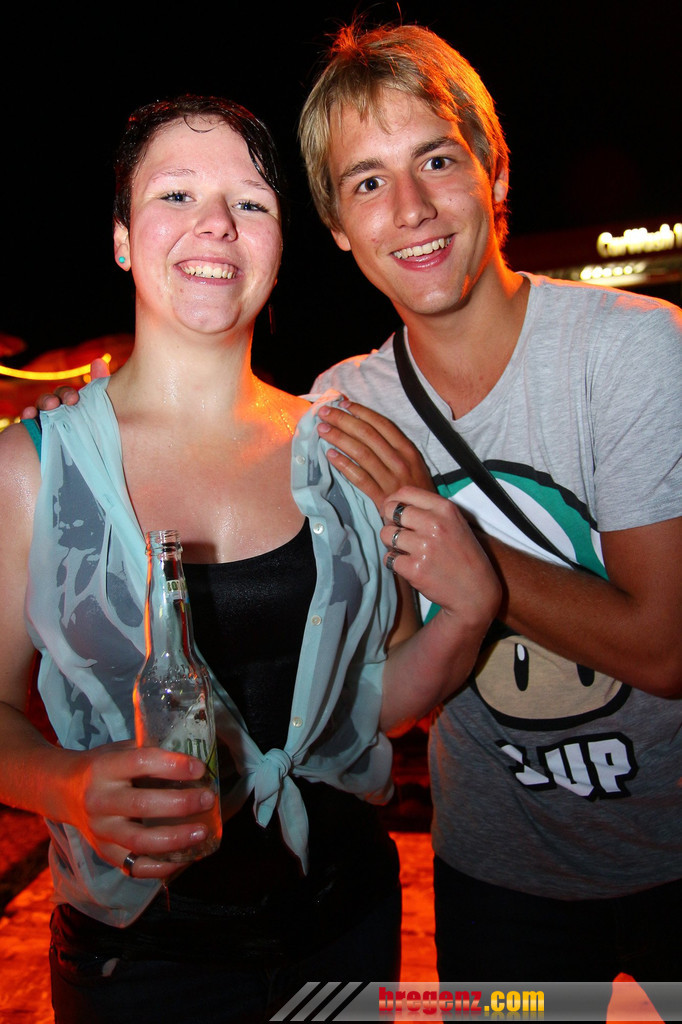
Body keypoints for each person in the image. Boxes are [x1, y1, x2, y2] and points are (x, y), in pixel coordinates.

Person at [0, 94, 500, 1023]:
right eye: (176, 194)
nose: (217, 224)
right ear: (121, 238)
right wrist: (63, 784)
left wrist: (469, 614)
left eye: (251, 202)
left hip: (347, 928)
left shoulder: (345, 449)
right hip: (143, 962)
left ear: (278, 243)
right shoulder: (32, 470)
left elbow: (375, 706)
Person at [297, 21, 682, 988]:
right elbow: (383, 691)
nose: (412, 209)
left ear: (495, 173)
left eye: (437, 160)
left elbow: (665, 650)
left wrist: (446, 529)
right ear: (337, 226)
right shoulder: (343, 407)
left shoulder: (632, 347)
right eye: (367, 182)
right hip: (497, 886)